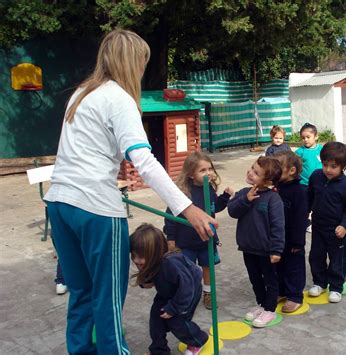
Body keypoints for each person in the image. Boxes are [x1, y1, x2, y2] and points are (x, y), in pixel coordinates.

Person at [44, 29, 217, 354]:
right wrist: (187, 208)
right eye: (142, 63)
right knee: (107, 298)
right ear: (132, 62)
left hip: (59, 204)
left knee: (81, 292)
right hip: (95, 210)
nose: (142, 71)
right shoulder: (119, 99)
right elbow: (144, 162)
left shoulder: (80, 93)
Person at [164, 152, 233, 310]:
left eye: (210, 169)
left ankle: (208, 293)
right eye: (203, 170)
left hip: (206, 240)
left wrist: (225, 197)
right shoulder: (182, 194)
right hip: (185, 242)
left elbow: (215, 207)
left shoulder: (209, 189)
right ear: (190, 174)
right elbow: (170, 216)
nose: (209, 173)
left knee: (207, 267)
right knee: (187, 270)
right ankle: (187, 294)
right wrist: (171, 238)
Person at [130, 223, 208, 355]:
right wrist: (146, 282)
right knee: (156, 319)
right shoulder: (151, 261)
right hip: (167, 291)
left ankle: (198, 340)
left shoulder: (171, 263)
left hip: (188, 292)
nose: (136, 260)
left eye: (140, 256)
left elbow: (186, 287)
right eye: (134, 255)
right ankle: (159, 350)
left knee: (176, 321)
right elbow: (150, 277)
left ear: (155, 253)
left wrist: (173, 308)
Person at [227, 156, 285, 328]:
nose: (250, 173)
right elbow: (232, 211)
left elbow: (278, 226)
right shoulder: (244, 193)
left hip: (266, 250)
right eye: (252, 168)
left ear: (267, 181)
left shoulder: (273, 199)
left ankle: (270, 309)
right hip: (247, 247)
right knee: (255, 278)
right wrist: (246, 200)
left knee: (270, 279)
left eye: (256, 172)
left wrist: (276, 250)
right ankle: (261, 304)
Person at [307, 142, 346, 303]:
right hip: (318, 226)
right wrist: (304, 214)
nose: (328, 169)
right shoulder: (315, 176)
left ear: (343, 166)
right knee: (316, 256)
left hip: (337, 230)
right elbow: (309, 198)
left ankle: (336, 287)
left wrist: (344, 226)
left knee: (337, 260)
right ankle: (319, 282)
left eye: (333, 166)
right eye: (325, 164)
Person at [274, 151, 308, 313]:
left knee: (293, 266)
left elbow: (301, 219)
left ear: (292, 171)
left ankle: (295, 296)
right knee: (278, 265)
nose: (274, 171)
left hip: (293, 239)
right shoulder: (276, 188)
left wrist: (298, 242)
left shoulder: (299, 192)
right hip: (277, 238)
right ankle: (281, 291)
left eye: (278, 167)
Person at [294, 122, 323, 232]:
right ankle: (304, 222)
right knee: (305, 205)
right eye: (303, 138)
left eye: (308, 137)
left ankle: (316, 222)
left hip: (319, 183)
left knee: (317, 204)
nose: (305, 140)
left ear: (316, 136)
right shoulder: (299, 152)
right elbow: (293, 166)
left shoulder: (322, 149)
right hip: (304, 184)